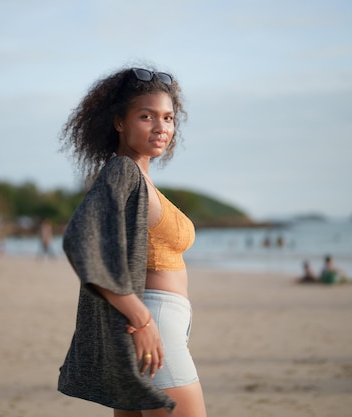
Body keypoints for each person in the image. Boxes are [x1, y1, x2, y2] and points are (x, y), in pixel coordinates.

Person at [57, 66, 206, 416]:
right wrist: (141, 319)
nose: (161, 127)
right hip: (150, 323)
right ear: (119, 122)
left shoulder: (140, 179)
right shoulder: (123, 171)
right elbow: (81, 242)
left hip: (153, 325)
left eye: (168, 118)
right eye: (146, 116)